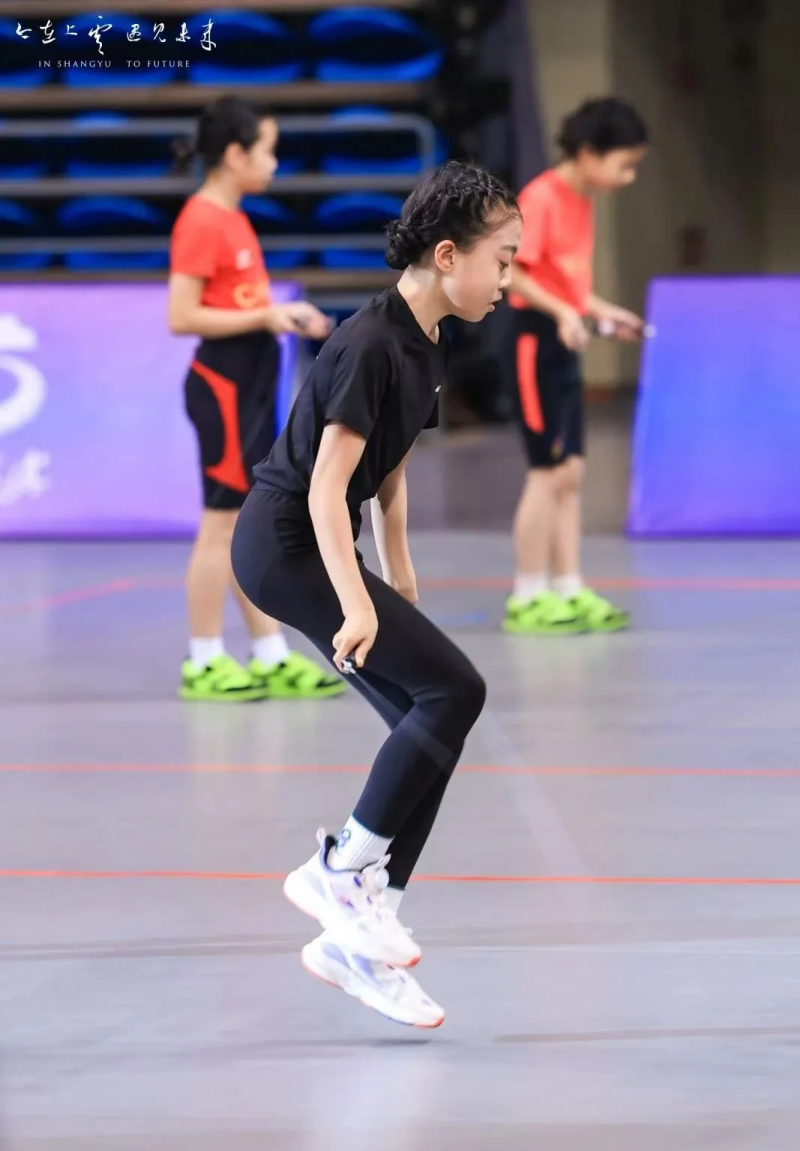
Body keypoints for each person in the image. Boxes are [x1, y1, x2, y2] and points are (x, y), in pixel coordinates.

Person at [232, 161, 522, 1027]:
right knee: (454, 689)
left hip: (318, 545)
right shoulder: (368, 343)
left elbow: (387, 467)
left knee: (430, 724)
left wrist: (399, 566)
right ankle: (338, 870)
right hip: (285, 545)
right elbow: (328, 487)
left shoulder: (428, 341)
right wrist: (357, 600)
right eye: (502, 260)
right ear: (448, 255)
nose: (508, 280)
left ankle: (359, 937)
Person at [168, 96, 344, 701]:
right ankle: (203, 659)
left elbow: (240, 304)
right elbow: (181, 315)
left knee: (246, 524)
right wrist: (267, 316)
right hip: (222, 387)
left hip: (250, 387)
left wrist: (284, 315)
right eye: (268, 150)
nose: (274, 162)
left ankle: (269, 653)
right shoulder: (201, 219)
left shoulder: (235, 218)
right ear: (235, 154)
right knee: (221, 524)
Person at [505, 97, 648, 635]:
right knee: (545, 472)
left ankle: (567, 586)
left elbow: (567, 283)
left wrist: (602, 311)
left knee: (571, 472)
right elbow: (514, 274)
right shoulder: (540, 198)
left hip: (565, 340)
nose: (629, 177)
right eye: (624, 164)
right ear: (589, 153)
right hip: (534, 343)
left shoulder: (581, 200)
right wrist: (564, 312)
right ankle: (527, 594)